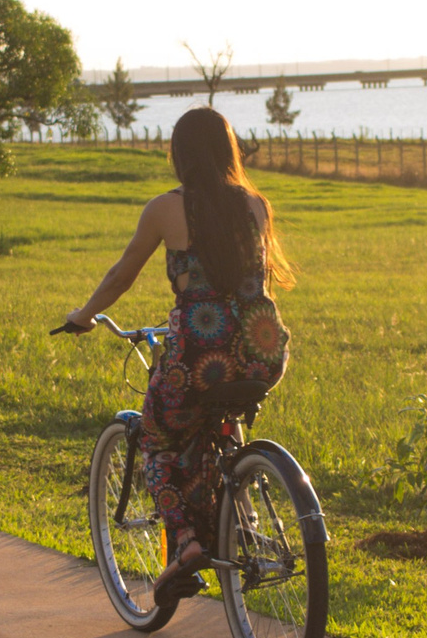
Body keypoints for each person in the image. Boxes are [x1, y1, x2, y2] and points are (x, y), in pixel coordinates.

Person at [66, 105, 294, 600]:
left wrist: (83, 315)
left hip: (200, 354)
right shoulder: (256, 205)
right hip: (263, 350)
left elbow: (121, 276)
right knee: (218, 411)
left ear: (179, 154)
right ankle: (240, 508)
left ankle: (188, 541)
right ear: (227, 150)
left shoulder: (166, 208)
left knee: (158, 439)